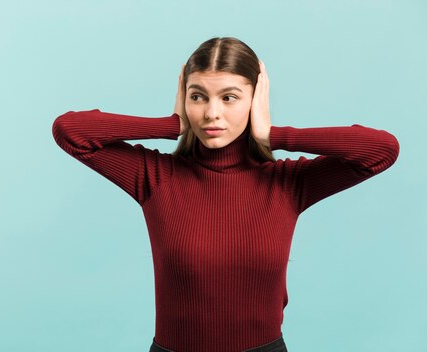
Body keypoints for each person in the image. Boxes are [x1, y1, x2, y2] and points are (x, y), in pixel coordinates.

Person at [51, 37, 400, 352]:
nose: (211, 113)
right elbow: (70, 131)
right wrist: (171, 124)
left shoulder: (288, 182)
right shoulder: (155, 177)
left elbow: (380, 150)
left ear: (255, 100)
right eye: (198, 96)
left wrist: (272, 132)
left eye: (230, 97)